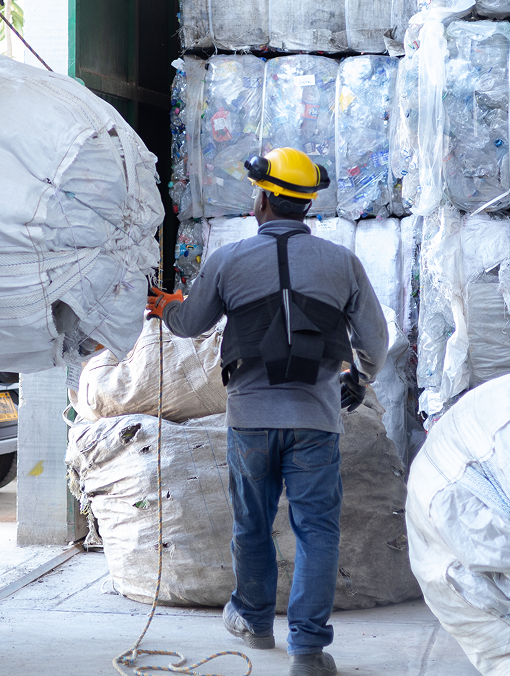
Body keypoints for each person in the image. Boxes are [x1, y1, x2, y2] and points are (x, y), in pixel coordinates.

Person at [146, 147, 387, 676]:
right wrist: (359, 377)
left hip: (251, 420)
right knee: (317, 531)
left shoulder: (229, 260)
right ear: (304, 206)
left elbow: (190, 325)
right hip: (316, 421)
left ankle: (255, 623)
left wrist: (165, 305)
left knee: (251, 525)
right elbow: (375, 339)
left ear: (263, 199)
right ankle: (307, 650)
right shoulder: (342, 262)